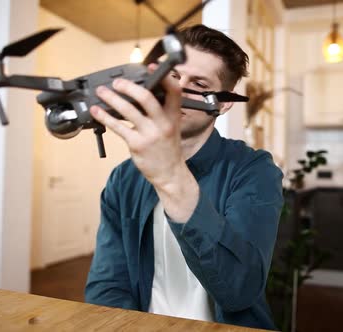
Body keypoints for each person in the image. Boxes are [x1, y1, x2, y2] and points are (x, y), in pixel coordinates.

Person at [84, 24, 283, 330]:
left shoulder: (254, 171)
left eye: (199, 84)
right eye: (173, 77)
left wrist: (170, 176)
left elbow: (239, 291)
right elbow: (107, 284)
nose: (176, 91)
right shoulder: (123, 178)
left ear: (224, 102)